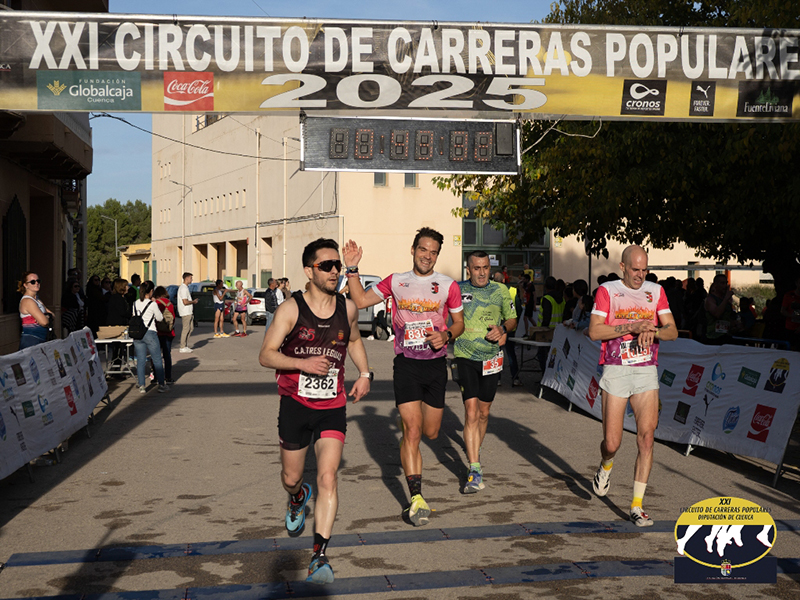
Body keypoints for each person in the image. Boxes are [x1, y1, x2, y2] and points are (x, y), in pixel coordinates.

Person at [258, 238, 371, 585]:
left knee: (327, 478)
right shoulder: (291, 310)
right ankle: (296, 499)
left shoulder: (347, 307)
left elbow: (353, 340)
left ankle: (319, 555)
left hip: (332, 406)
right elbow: (266, 354)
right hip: (294, 404)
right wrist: (302, 364)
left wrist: (365, 374)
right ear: (309, 271)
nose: (334, 271)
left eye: (337, 265)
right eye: (327, 266)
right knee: (292, 478)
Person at [343, 227, 464, 526]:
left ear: (438, 255)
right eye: (423, 249)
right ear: (413, 250)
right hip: (407, 363)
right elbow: (358, 301)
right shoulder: (396, 281)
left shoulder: (448, 285)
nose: (427, 255)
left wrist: (446, 334)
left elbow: (459, 322)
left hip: (435, 366)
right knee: (412, 433)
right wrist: (353, 269)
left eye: (433, 252)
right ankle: (417, 498)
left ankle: (410, 425)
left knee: (431, 433)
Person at [588, 245, 677, 527]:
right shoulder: (608, 291)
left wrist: (654, 331)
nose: (640, 275)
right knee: (612, 442)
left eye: (645, 270)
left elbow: (672, 331)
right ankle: (605, 465)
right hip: (616, 369)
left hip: (645, 371)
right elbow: (593, 331)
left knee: (646, 437)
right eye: (635, 270)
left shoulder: (656, 291)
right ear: (623, 267)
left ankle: (637, 505)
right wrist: (631, 327)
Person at [455, 251, 517, 493]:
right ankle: (475, 468)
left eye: (485, 268)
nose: (481, 272)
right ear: (468, 269)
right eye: (476, 268)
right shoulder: (457, 289)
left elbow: (512, 318)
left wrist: (502, 329)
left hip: (491, 357)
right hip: (465, 355)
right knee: (470, 411)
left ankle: (474, 451)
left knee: (483, 411)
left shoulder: (501, 291)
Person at [131, 280, 168, 394]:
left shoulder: (135, 303)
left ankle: (142, 385)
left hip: (138, 334)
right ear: (151, 291)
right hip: (150, 332)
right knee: (157, 359)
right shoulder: (153, 304)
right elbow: (159, 318)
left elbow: (134, 316)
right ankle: (161, 384)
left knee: (141, 360)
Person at [18, 272, 54, 349]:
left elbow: (52, 315)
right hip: (31, 340)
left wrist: (46, 316)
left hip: (42, 339)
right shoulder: (27, 301)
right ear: (25, 285)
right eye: (33, 282)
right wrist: (45, 317)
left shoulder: (37, 300)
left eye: (38, 281)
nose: (36, 283)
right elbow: (44, 322)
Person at [536, 276, 564, 369]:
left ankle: (545, 376)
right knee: (554, 356)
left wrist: (541, 331)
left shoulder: (547, 299)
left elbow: (546, 317)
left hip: (546, 332)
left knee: (542, 355)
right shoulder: (562, 298)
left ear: (545, 286)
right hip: (559, 332)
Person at [703, 274, 737, 345]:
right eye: (722, 283)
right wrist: (725, 299)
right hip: (713, 337)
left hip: (726, 335)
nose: (724, 286)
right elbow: (717, 314)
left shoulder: (726, 300)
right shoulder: (710, 299)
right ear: (715, 285)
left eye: (726, 283)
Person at [154, 286, 176, 384]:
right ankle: (168, 377)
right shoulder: (169, 303)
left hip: (158, 332)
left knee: (156, 355)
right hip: (168, 332)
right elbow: (173, 318)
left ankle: (156, 376)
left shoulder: (156, 303)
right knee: (167, 355)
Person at [177, 272, 198, 353]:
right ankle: (182, 346)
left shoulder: (186, 288)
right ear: (187, 278)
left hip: (189, 311)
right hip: (185, 312)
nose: (191, 279)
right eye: (191, 278)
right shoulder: (183, 288)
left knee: (190, 328)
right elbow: (185, 302)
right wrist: (193, 302)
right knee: (186, 329)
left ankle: (185, 345)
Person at [780, 276, 800, 349]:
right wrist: (792, 316)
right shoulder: (789, 295)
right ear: (796, 283)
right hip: (790, 328)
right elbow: (783, 310)